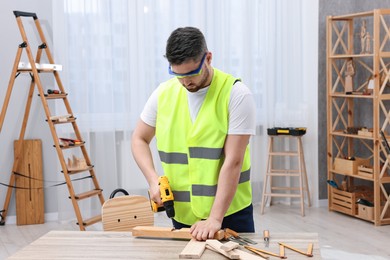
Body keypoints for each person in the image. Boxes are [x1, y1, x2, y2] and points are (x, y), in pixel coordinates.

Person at [131, 26, 256, 241]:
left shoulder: (236, 94)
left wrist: (215, 219)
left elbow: (234, 161)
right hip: (183, 214)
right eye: (178, 75)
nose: (185, 81)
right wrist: (153, 181)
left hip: (230, 214)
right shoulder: (163, 94)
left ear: (208, 58)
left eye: (191, 73)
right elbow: (139, 139)